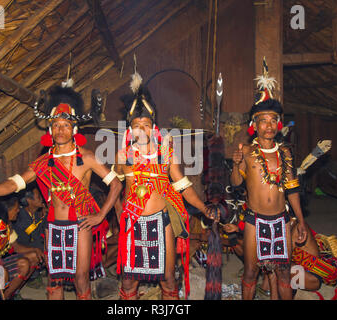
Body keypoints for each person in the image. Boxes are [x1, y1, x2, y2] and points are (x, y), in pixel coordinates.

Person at [0, 84, 122, 300]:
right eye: (56, 125)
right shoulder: (42, 163)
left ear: (74, 129)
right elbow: (14, 184)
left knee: (81, 278)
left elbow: (116, 184)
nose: (60, 130)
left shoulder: (86, 158)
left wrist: (100, 215)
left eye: (66, 125)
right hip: (54, 225)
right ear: (50, 129)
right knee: (54, 280)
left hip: (81, 224)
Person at [112, 71, 219, 300]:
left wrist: (203, 208)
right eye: (137, 125)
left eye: (146, 124)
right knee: (129, 280)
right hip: (132, 222)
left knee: (168, 278)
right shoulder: (123, 156)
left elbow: (184, 186)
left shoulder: (166, 154)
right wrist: (119, 214)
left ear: (154, 127)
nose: (142, 129)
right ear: (130, 129)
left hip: (162, 222)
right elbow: (114, 189)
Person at [230, 59, 307, 300]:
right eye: (264, 120)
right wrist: (235, 164)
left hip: (282, 220)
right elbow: (235, 184)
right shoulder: (247, 151)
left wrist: (301, 221)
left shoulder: (285, 152)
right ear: (255, 125)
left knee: (284, 274)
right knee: (251, 273)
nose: (269, 125)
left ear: (279, 124)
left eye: (274, 120)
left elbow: (292, 189)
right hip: (255, 220)